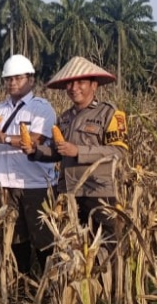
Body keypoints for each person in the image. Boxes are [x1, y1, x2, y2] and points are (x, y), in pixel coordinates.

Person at [24, 56, 129, 246]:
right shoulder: (64, 118)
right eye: (70, 83)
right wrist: (35, 151)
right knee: (75, 249)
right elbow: (58, 153)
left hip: (98, 192)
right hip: (69, 194)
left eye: (80, 82)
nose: (74, 88)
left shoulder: (110, 113)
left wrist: (78, 151)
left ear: (94, 85)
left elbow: (118, 152)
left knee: (107, 248)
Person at [0, 54, 59, 273]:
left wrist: (3, 138)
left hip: (36, 184)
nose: (13, 83)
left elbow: (36, 140)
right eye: (9, 79)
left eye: (18, 78)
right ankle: (22, 277)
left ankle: (47, 283)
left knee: (43, 236)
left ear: (31, 80)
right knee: (14, 236)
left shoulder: (41, 108)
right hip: (7, 184)